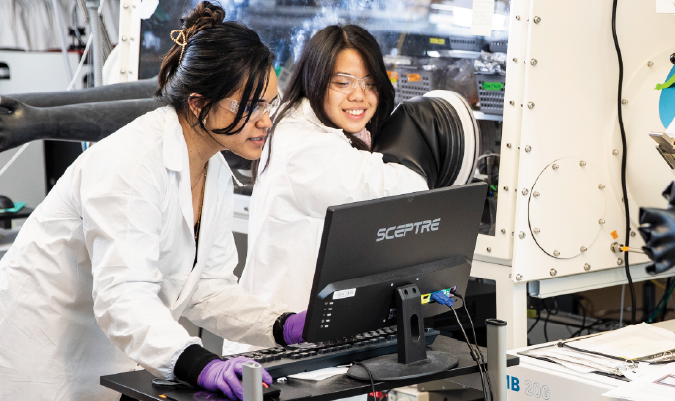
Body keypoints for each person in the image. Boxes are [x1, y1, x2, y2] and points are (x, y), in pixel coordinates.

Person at [0, 3, 308, 400]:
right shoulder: (131, 163)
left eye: (268, 103)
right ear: (198, 104)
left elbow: (208, 289)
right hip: (38, 360)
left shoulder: (212, 166)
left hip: (109, 363)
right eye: (248, 106)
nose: (265, 119)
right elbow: (123, 296)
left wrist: (282, 325)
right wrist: (201, 364)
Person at [229, 24, 428, 356]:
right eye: (343, 82)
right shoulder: (306, 148)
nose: (359, 96)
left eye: (370, 83)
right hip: (284, 351)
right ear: (316, 80)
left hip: (314, 342)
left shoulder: (311, 124)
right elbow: (407, 191)